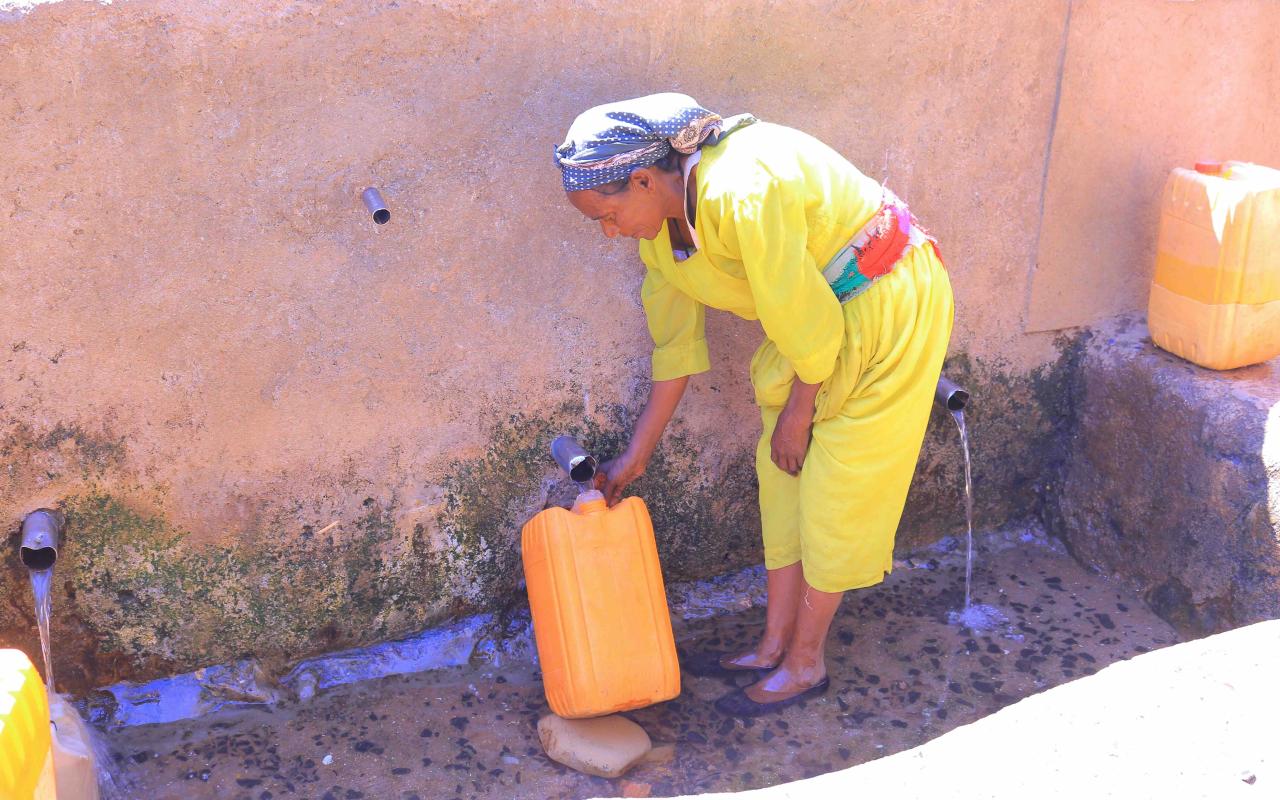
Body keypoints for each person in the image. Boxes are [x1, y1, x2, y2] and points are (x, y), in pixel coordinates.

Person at [553, 93, 954, 717]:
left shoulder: (741, 191)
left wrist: (799, 412)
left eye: (608, 214)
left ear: (642, 179)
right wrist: (635, 458)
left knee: (838, 493)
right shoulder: (661, 239)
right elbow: (677, 351)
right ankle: (772, 644)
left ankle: (805, 663)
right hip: (813, 337)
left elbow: (809, 319)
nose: (608, 232)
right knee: (782, 478)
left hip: (886, 299)